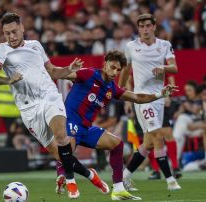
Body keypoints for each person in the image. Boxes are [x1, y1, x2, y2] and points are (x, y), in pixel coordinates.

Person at [0, 12, 106, 199]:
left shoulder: (36, 45)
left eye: (14, 31)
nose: (11, 37)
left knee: (61, 135)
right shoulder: (1, 50)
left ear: (22, 28)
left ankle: (71, 181)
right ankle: (90, 175)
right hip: (28, 108)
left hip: (49, 97)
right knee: (58, 154)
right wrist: (9, 79)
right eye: (7, 33)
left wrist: (69, 70)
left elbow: (52, 72)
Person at [60, 50, 177, 200]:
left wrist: (160, 94)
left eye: (118, 70)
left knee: (117, 144)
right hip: (69, 122)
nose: (115, 72)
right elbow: (63, 74)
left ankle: (118, 190)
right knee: (66, 151)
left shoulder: (111, 89)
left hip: (86, 129)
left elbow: (137, 97)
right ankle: (72, 180)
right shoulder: (88, 74)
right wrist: (69, 69)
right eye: (112, 67)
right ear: (105, 64)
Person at [118, 14, 181, 191]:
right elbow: (125, 70)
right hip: (141, 98)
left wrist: (163, 67)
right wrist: (120, 90)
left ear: (154, 27)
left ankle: (122, 178)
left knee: (148, 144)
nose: (145, 29)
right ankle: (171, 181)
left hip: (159, 97)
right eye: (141, 26)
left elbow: (174, 68)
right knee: (158, 137)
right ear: (138, 29)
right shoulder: (131, 46)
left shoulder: (165, 45)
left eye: (148, 26)